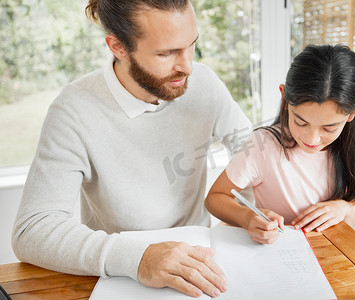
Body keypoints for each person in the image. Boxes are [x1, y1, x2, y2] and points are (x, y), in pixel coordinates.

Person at [11, 0, 252, 298]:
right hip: (123, 279)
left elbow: (253, 151)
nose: (187, 66)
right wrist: (139, 258)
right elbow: (32, 230)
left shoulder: (203, 82)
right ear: (118, 47)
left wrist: (255, 215)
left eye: (191, 45)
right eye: (166, 53)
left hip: (202, 264)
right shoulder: (74, 110)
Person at [205, 44, 355, 244]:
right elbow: (215, 198)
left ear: (354, 112)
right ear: (285, 99)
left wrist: (344, 209)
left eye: (329, 129)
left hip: (330, 252)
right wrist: (248, 218)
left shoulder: (351, 146)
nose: (312, 139)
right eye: (301, 122)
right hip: (277, 251)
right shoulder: (264, 145)